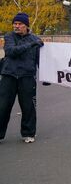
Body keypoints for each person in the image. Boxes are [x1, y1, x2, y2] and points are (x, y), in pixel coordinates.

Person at [0, 13, 44, 143]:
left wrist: (46, 75)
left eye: (20, 24)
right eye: (15, 24)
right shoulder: (9, 36)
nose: (16, 26)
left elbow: (39, 59)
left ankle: (28, 133)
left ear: (26, 26)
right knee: (3, 106)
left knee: (28, 106)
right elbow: (11, 52)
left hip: (27, 76)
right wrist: (31, 44)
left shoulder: (35, 39)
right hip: (9, 75)